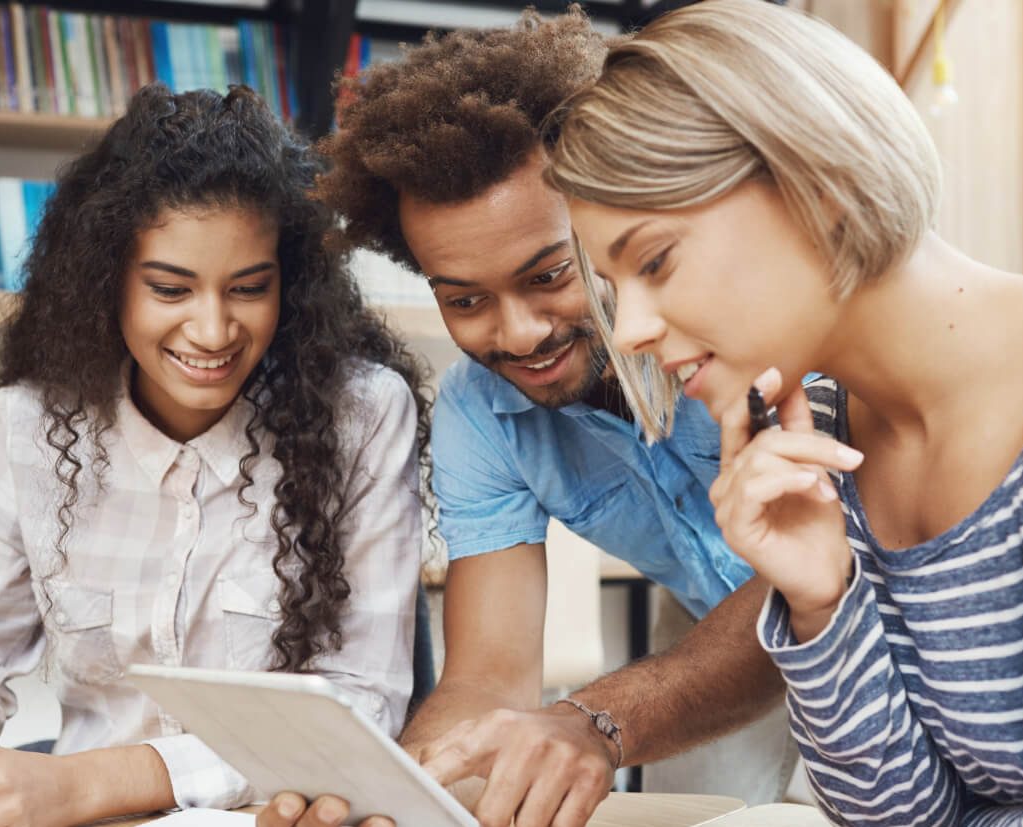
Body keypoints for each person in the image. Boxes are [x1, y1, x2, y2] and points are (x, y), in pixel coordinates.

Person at [547, 1, 1023, 824]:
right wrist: (820, 599)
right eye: (616, 290)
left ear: (819, 182)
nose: (626, 331)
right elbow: (900, 816)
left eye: (655, 261)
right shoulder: (827, 435)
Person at [0, 84, 432, 827]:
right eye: (170, 288)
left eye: (250, 288)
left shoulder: (362, 415)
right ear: (106, 279)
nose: (213, 329)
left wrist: (89, 782)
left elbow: (364, 697)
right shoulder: (25, 427)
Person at [259, 11, 790, 827]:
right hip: (703, 633)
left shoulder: (741, 325)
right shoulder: (480, 417)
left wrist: (592, 719)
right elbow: (487, 679)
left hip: (870, 612)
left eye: (548, 276)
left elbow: (813, 581)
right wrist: (385, 799)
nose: (518, 332)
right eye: (464, 300)